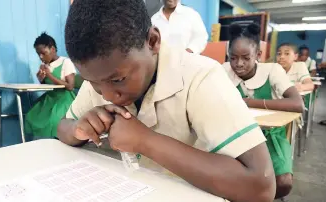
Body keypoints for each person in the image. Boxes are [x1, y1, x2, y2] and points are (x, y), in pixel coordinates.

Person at [60, 1, 276, 201]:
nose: (106, 94)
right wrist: (78, 130)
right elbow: (63, 126)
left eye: (118, 80)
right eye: (93, 83)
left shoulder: (201, 76)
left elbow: (261, 187)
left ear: (153, 41)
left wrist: (145, 141)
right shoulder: (102, 75)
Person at [223, 23, 304, 199]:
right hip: (236, 135)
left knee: (283, 182)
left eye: (245, 57)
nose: (238, 64)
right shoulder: (224, 71)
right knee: (229, 177)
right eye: (233, 58)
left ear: (258, 55)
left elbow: (297, 103)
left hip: (270, 135)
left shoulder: (271, 71)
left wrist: (250, 102)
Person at [25, 32, 76, 139]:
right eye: (38, 54)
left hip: (64, 99)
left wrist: (49, 75)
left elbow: (70, 86)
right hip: (50, 98)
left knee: (53, 121)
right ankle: (43, 145)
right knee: (32, 115)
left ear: (52, 49)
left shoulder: (66, 62)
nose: (40, 56)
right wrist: (42, 80)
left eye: (43, 53)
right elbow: (48, 85)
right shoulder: (45, 66)